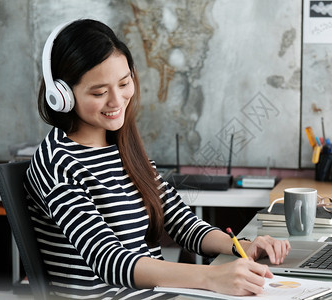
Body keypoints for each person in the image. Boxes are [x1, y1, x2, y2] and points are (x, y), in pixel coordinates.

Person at [24, 19, 291, 300]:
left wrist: (241, 247)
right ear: (61, 95)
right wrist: (211, 278)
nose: (117, 101)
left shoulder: (123, 147)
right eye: (99, 92)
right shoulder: (57, 163)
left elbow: (180, 221)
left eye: (124, 83)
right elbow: (110, 261)